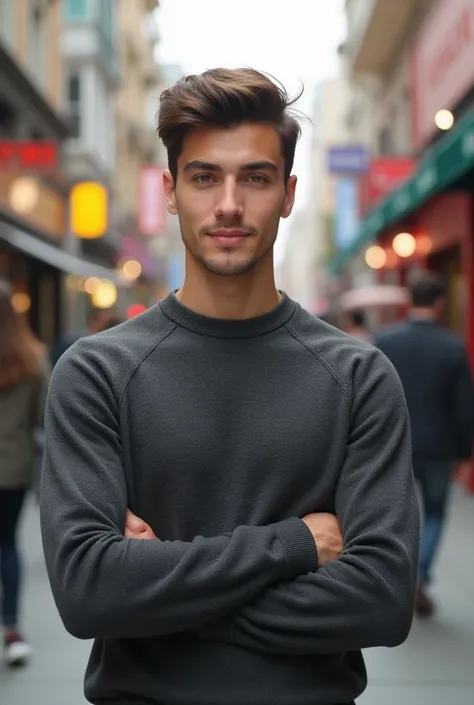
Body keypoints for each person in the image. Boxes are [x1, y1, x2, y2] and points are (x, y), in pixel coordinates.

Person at [40, 68, 420, 705]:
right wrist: (296, 543)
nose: (228, 206)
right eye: (204, 176)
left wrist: (160, 595)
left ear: (289, 193)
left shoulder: (358, 376)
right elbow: (88, 591)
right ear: (170, 190)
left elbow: (382, 600)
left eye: (256, 177)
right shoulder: (96, 372)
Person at [375, 273, 474, 617]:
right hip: (438, 446)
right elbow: (464, 407)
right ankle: (419, 576)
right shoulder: (452, 346)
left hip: (392, 443)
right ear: (440, 303)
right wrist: (464, 452)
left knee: (397, 515)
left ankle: (396, 578)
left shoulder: (384, 341)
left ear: (409, 300)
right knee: (433, 514)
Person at [0, 280, 50, 666]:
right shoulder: (32, 361)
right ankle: (12, 630)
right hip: (11, 468)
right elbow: (45, 420)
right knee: (7, 546)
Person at [50, 305, 117, 367]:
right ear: (94, 320)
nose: (110, 326)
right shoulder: (71, 341)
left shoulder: (109, 343)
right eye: (107, 321)